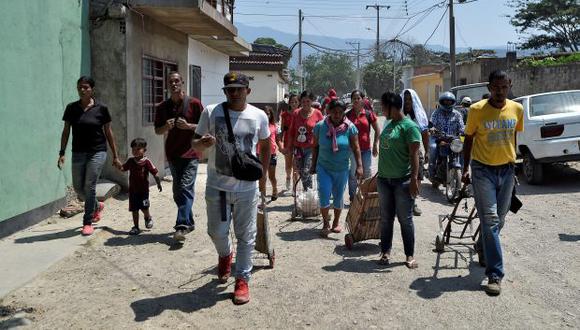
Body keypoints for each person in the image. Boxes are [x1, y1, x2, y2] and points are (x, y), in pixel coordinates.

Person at [192, 72, 271, 305]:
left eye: (238, 88)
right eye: (229, 89)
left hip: (247, 187)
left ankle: (242, 279)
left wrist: (263, 175)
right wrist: (201, 144)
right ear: (224, 91)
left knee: (246, 235)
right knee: (216, 231)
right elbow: (194, 143)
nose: (234, 93)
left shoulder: (259, 116)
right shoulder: (211, 111)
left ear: (248, 90)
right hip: (217, 185)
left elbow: (266, 146)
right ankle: (225, 255)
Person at [462, 70, 523, 296]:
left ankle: (482, 246)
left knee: (500, 218)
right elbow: (468, 139)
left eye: (504, 87)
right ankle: (495, 274)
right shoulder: (477, 110)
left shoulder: (517, 109)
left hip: (506, 171)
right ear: (489, 88)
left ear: (509, 86)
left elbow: (513, 137)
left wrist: (514, 163)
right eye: (496, 87)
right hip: (482, 171)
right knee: (490, 219)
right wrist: (465, 169)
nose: (500, 92)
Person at [58, 76, 122, 236]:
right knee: (79, 188)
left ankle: (87, 222)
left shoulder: (101, 109)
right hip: (78, 152)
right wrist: (61, 152)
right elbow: (66, 131)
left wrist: (115, 155)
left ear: (92, 89)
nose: (82, 90)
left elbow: (109, 132)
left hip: (97, 152)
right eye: (79, 87)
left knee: (90, 185)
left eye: (85, 87)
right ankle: (97, 206)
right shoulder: (71, 108)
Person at [154, 72, 203, 243]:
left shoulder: (194, 104)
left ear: (182, 82)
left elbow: (205, 127)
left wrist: (189, 126)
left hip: (191, 153)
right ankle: (189, 221)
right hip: (173, 154)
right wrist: (165, 127)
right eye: (170, 82)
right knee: (177, 191)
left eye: (177, 81)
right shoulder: (162, 107)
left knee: (185, 187)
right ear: (168, 85)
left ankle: (181, 226)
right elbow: (157, 130)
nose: (174, 84)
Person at [377, 92, 421, 269]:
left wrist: (414, 179)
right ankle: (385, 251)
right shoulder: (389, 124)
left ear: (393, 107)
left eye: (384, 106)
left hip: (402, 182)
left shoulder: (409, 127)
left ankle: (409, 254)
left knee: (405, 219)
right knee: (386, 219)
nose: (382, 109)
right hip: (384, 180)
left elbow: (415, 155)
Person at [311, 100, 362, 237]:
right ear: (329, 111)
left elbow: (356, 147)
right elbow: (315, 147)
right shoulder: (320, 127)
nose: (337, 115)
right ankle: (325, 223)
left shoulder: (350, 127)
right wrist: (313, 165)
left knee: (339, 196)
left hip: (342, 168)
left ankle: (336, 222)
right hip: (324, 167)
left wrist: (359, 166)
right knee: (324, 193)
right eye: (334, 112)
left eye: (340, 112)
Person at [118, 138, 162, 235]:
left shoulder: (147, 162)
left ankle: (148, 217)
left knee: (144, 207)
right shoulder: (130, 161)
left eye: (138, 149)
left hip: (144, 191)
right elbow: (123, 168)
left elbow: (155, 172)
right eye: (133, 149)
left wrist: (158, 183)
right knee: (134, 209)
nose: (135, 151)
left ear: (144, 150)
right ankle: (136, 227)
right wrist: (117, 164)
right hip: (133, 191)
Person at [287, 91, 324, 192]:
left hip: (311, 148)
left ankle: (309, 192)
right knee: (301, 171)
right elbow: (291, 131)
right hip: (298, 148)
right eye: (303, 101)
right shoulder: (296, 113)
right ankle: (308, 193)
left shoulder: (317, 113)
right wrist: (289, 147)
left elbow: (323, 130)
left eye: (308, 101)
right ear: (300, 102)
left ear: (312, 101)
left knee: (307, 170)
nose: (305, 103)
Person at [346, 90, 380, 201]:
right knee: (353, 173)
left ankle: (366, 197)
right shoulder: (347, 115)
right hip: (352, 150)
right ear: (351, 100)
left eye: (358, 98)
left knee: (367, 173)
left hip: (366, 149)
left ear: (362, 99)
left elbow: (377, 129)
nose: (356, 100)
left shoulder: (368, 114)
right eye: (354, 98)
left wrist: (375, 145)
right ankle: (352, 198)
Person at [401, 89, 429, 216]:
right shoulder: (398, 115)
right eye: (405, 99)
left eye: (410, 99)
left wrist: (428, 151)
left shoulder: (420, 116)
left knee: (417, 177)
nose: (407, 102)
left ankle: (413, 202)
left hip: (417, 152)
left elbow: (425, 134)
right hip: (401, 153)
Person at [428, 92, 465, 187]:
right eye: (445, 101)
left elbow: (461, 127)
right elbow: (431, 124)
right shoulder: (436, 112)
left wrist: (464, 132)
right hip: (438, 137)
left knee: (463, 149)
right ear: (442, 102)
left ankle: (463, 170)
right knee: (433, 148)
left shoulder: (457, 114)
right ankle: (432, 174)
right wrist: (432, 129)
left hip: (452, 139)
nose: (447, 103)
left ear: (453, 102)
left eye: (449, 101)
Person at [258, 106, 283, 201]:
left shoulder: (274, 126)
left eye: (268, 113)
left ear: (271, 115)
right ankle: (263, 197)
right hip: (259, 154)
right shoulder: (258, 126)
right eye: (264, 113)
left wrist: (281, 148)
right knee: (261, 176)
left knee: (271, 176)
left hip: (272, 154)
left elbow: (278, 139)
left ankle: (274, 190)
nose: (266, 115)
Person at [280, 93, 300, 191]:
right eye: (292, 102)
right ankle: (288, 177)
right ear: (289, 103)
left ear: (299, 102)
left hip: (298, 142)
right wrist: (280, 144)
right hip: (287, 141)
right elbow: (282, 129)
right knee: (288, 164)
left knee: (296, 165)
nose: (294, 104)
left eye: (296, 102)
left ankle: (294, 187)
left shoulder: (301, 113)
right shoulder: (285, 114)